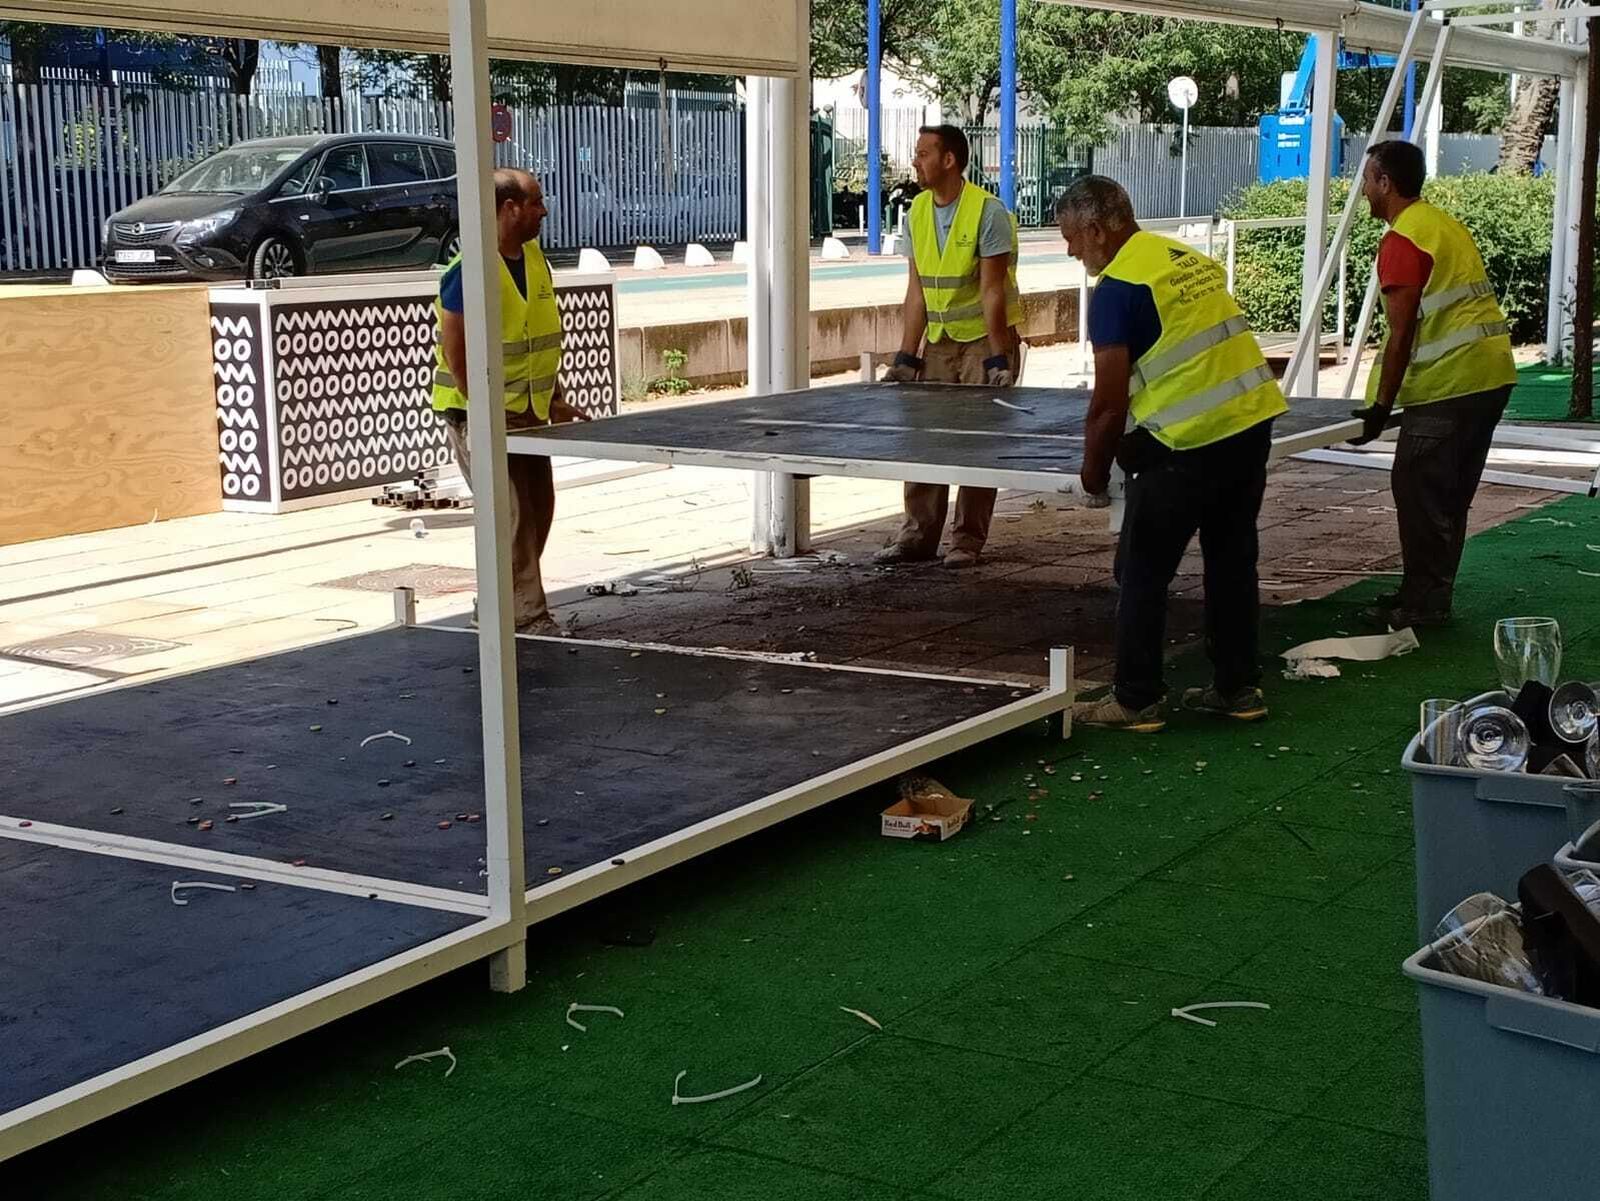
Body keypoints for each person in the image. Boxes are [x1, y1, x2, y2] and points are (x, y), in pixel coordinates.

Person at [1056, 176, 1287, 732]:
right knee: (1232, 563)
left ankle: (1136, 700)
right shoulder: (1183, 258)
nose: (1070, 250)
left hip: (1183, 445)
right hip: (1249, 425)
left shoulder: (1117, 289)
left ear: (1096, 228)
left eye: (1071, 238)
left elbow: (1108, 403)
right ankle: (1238, 689)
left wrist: (1092, 474)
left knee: (1142, 572)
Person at [1350, 140, 1517, 629]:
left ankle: (1422, 604)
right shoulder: (1441, 224)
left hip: (1451, 384)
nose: (1363, 191)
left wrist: (1382, 405)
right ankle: (1426, 592)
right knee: (1449, 495)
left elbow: (1403, 333)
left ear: (1386, 182)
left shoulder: (1403, 240)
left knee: (1418, 488)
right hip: (1489, 376)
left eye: (1367, 180)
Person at [433, 168, 589, 635]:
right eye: (536, 202)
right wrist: (481, 408)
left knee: (539, 508)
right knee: (512, 514)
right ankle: (527, 617)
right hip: (479, 413)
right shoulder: (469, 270)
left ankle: (499, 601)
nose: (543, 211)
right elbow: (455, 346)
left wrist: (555, 398)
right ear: (509, 208)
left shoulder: (536, 260)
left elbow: (536, 335)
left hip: (529, 411)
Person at [875, 124, 1025, 569]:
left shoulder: (987, 212)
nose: (915, 161)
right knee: (927, 441)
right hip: (940, 340)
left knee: (978, 444)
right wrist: (907, 355)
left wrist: (999, 356)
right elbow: (916, 291)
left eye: (923, 153)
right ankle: (916, 537)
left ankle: (967, 540)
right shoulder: (917, 211)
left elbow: (992, 291)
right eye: (916, 152)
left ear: (949, 160)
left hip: (984, 340)